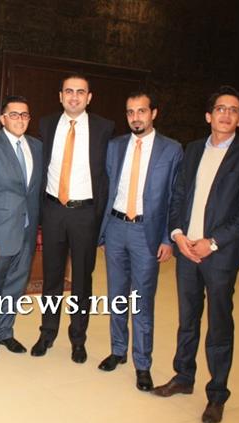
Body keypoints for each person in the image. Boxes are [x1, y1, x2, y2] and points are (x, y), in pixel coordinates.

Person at [151, 86, 239, 423]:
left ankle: (217, 395)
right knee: (187, 320)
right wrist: (177, 235)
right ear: (208, 115)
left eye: (233, 110)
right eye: (220, 109)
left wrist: (212, 242)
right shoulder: (192, 150)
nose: (226, 114)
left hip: (220, 256)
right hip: (187, 250)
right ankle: (183, 377)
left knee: (219, 326)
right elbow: (178, 195)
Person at [97, 91, 183, 391]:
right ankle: (118, 350)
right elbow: (106, 190)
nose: (136, 117)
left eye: (141, 111)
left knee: (142, 300)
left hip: (147, 232)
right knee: (117, 296)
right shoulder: (115, 146)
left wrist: (168, 238)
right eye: (130, 112)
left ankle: (142, 364)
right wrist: (103, 232)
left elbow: (174, 197)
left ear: (153, 113)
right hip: (115, 228)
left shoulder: (171, 150)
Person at [30, 74, 114, 364]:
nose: (74, 97)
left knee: (81, 280)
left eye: (80, 92)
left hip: (85, 214)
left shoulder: (104, 128)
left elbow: (107, 175)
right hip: (53, 210)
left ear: (89, 97)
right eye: (69, 91)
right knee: (51, 277)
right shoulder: (47, 124)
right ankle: (47, 333)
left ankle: (78, 338)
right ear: (60, 96)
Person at [0, 96, 43, 360]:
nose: (20, 119)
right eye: (14, 115)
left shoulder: (37, 147)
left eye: (24, 115)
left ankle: (5, 331)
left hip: (26, 232)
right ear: (2, 119)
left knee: (15, 286)